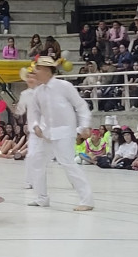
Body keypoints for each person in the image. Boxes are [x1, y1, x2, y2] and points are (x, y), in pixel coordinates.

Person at [26, 55, 94, 211]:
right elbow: (34, 112)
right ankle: (42, 197)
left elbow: (81, 106)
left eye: (38, 68)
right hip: (47, 134)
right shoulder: (38, 92)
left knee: (68, 164)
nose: (35, 72)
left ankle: (87, 200)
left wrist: (84, 126)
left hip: (65, 132)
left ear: (48, 70)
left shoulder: (64, 86)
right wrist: (35, 125)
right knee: (37, 161)